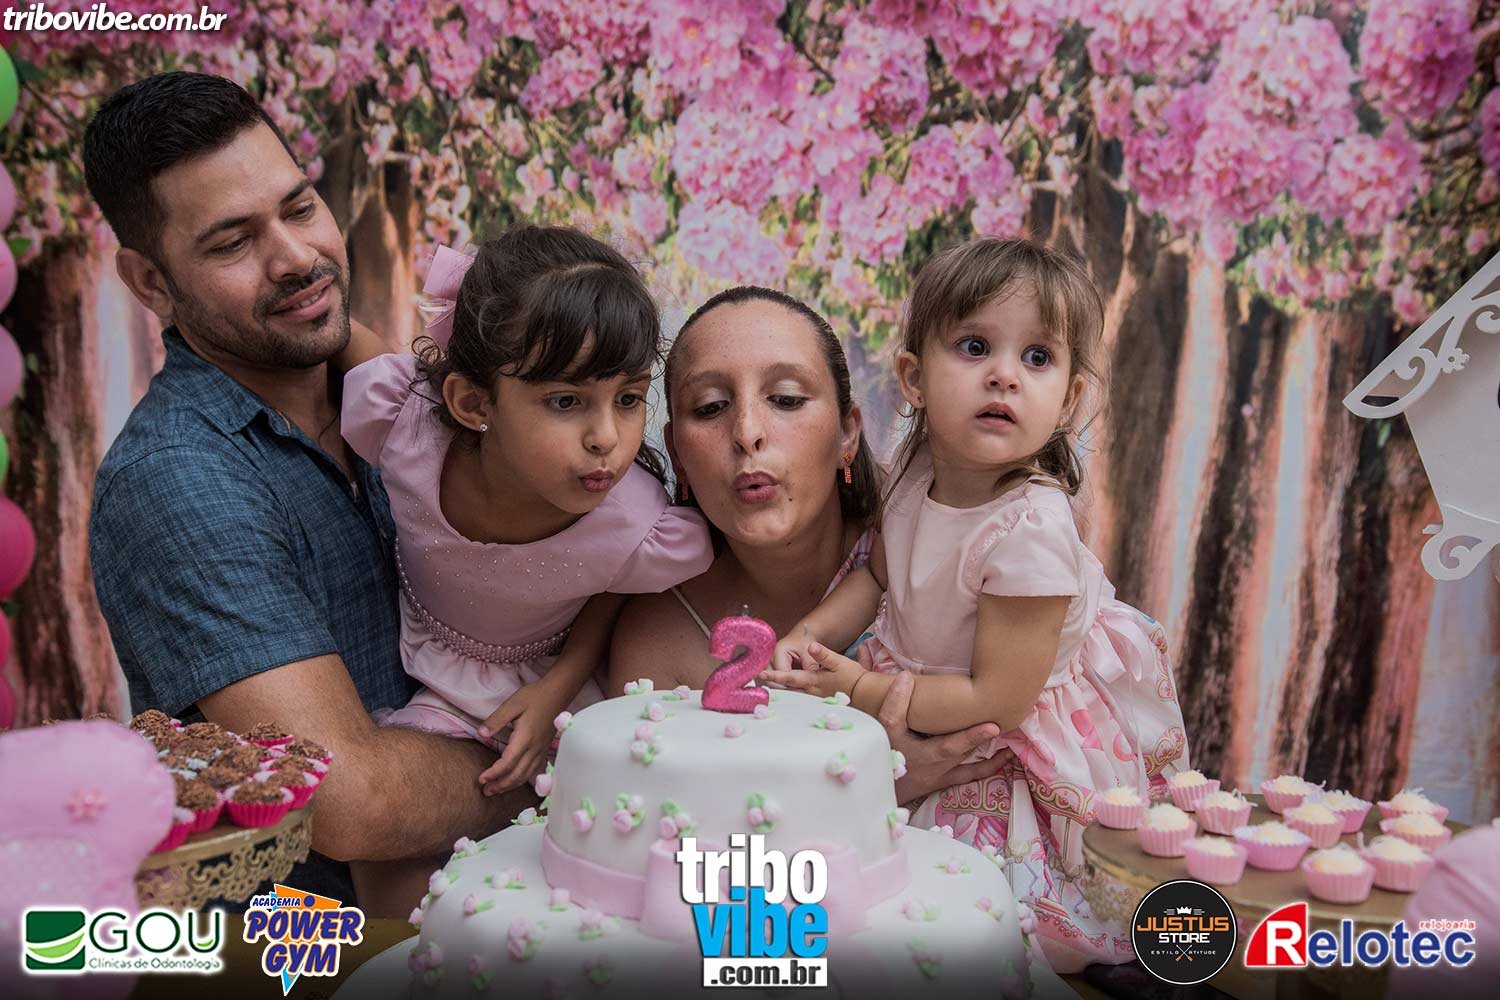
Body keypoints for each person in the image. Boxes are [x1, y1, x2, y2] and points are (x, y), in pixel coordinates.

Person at [82, 72, 530, 909]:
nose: (295, 258)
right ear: (150, 283)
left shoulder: (371, 392)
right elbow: (347, 801)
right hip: (313, 951)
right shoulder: (178, 478)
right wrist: (576, 759)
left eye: (298, 207)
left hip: (497, 912)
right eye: (231, 243)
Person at [761, 238, 1191, 971]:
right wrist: (811, 631)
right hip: (919, 692)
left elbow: (1000, 699)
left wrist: (859, 689)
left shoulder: (1030, 530)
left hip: (1001, 736)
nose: (1004, 375)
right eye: (974, 346)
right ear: (914, 378)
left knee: (970, 918)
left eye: (1037, 358)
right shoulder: (915, 471)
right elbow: (881, 576)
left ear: (1069, 401)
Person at [337, 226, 712, 797]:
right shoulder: (403, 421)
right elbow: (351, 347)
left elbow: (614, 583)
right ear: (473, 403)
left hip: (533, 692)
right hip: (404, 647)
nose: (607, 438)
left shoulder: (633, 522)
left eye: (629, 399)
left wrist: (558, 685)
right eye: (566, 400)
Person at [607, 286, 1012, 809]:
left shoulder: (946, 547)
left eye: (786, 399)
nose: (747, 432)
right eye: (710, 407)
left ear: (847, 434)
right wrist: (882, 785)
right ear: (679, 457)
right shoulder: (657, 644)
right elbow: (660, 830)